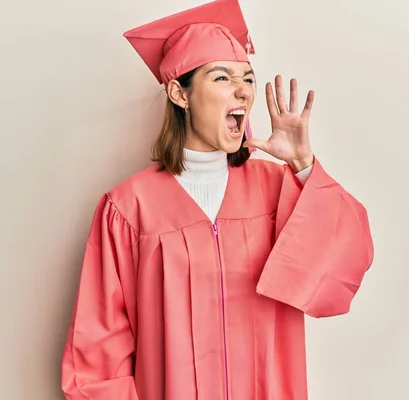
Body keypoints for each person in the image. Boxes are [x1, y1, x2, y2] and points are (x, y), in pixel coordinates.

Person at [60, 0, 374, 399]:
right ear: (179, 93)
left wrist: (303, 165)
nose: (242, 90)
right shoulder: (129, 208)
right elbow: (98, 353)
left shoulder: (277, 190)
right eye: (222, 78)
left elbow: (344, 262)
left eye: (247, 79)